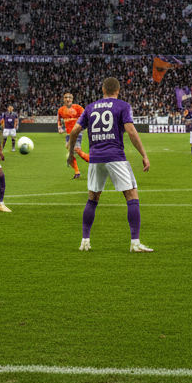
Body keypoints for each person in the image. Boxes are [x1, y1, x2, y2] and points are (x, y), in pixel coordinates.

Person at [66, 77, 153, 252]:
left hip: (96, 158)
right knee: (131, 195)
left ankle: (85, 241)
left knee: (92, 198)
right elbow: (131, 131)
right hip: (115, 156)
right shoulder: (123, 106)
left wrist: (71, 154)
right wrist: (144, 155)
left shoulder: (90, 107)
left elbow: (74, 131)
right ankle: (135, 243)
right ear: (118, 91)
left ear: (103, 90)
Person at [58, 93, 90, 179]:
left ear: (72, 99)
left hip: (77, 132)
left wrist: (85, 126)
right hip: (68, 134)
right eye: (66, 97)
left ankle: (95, 163)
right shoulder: (61, 110)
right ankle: (77, 172)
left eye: (69, 98)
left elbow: (86, 116)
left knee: (76, 149)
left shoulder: (78, 108)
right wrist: (59, 127)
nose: (67, 99)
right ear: (64, 99)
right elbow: (59, 120)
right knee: (71, 152)